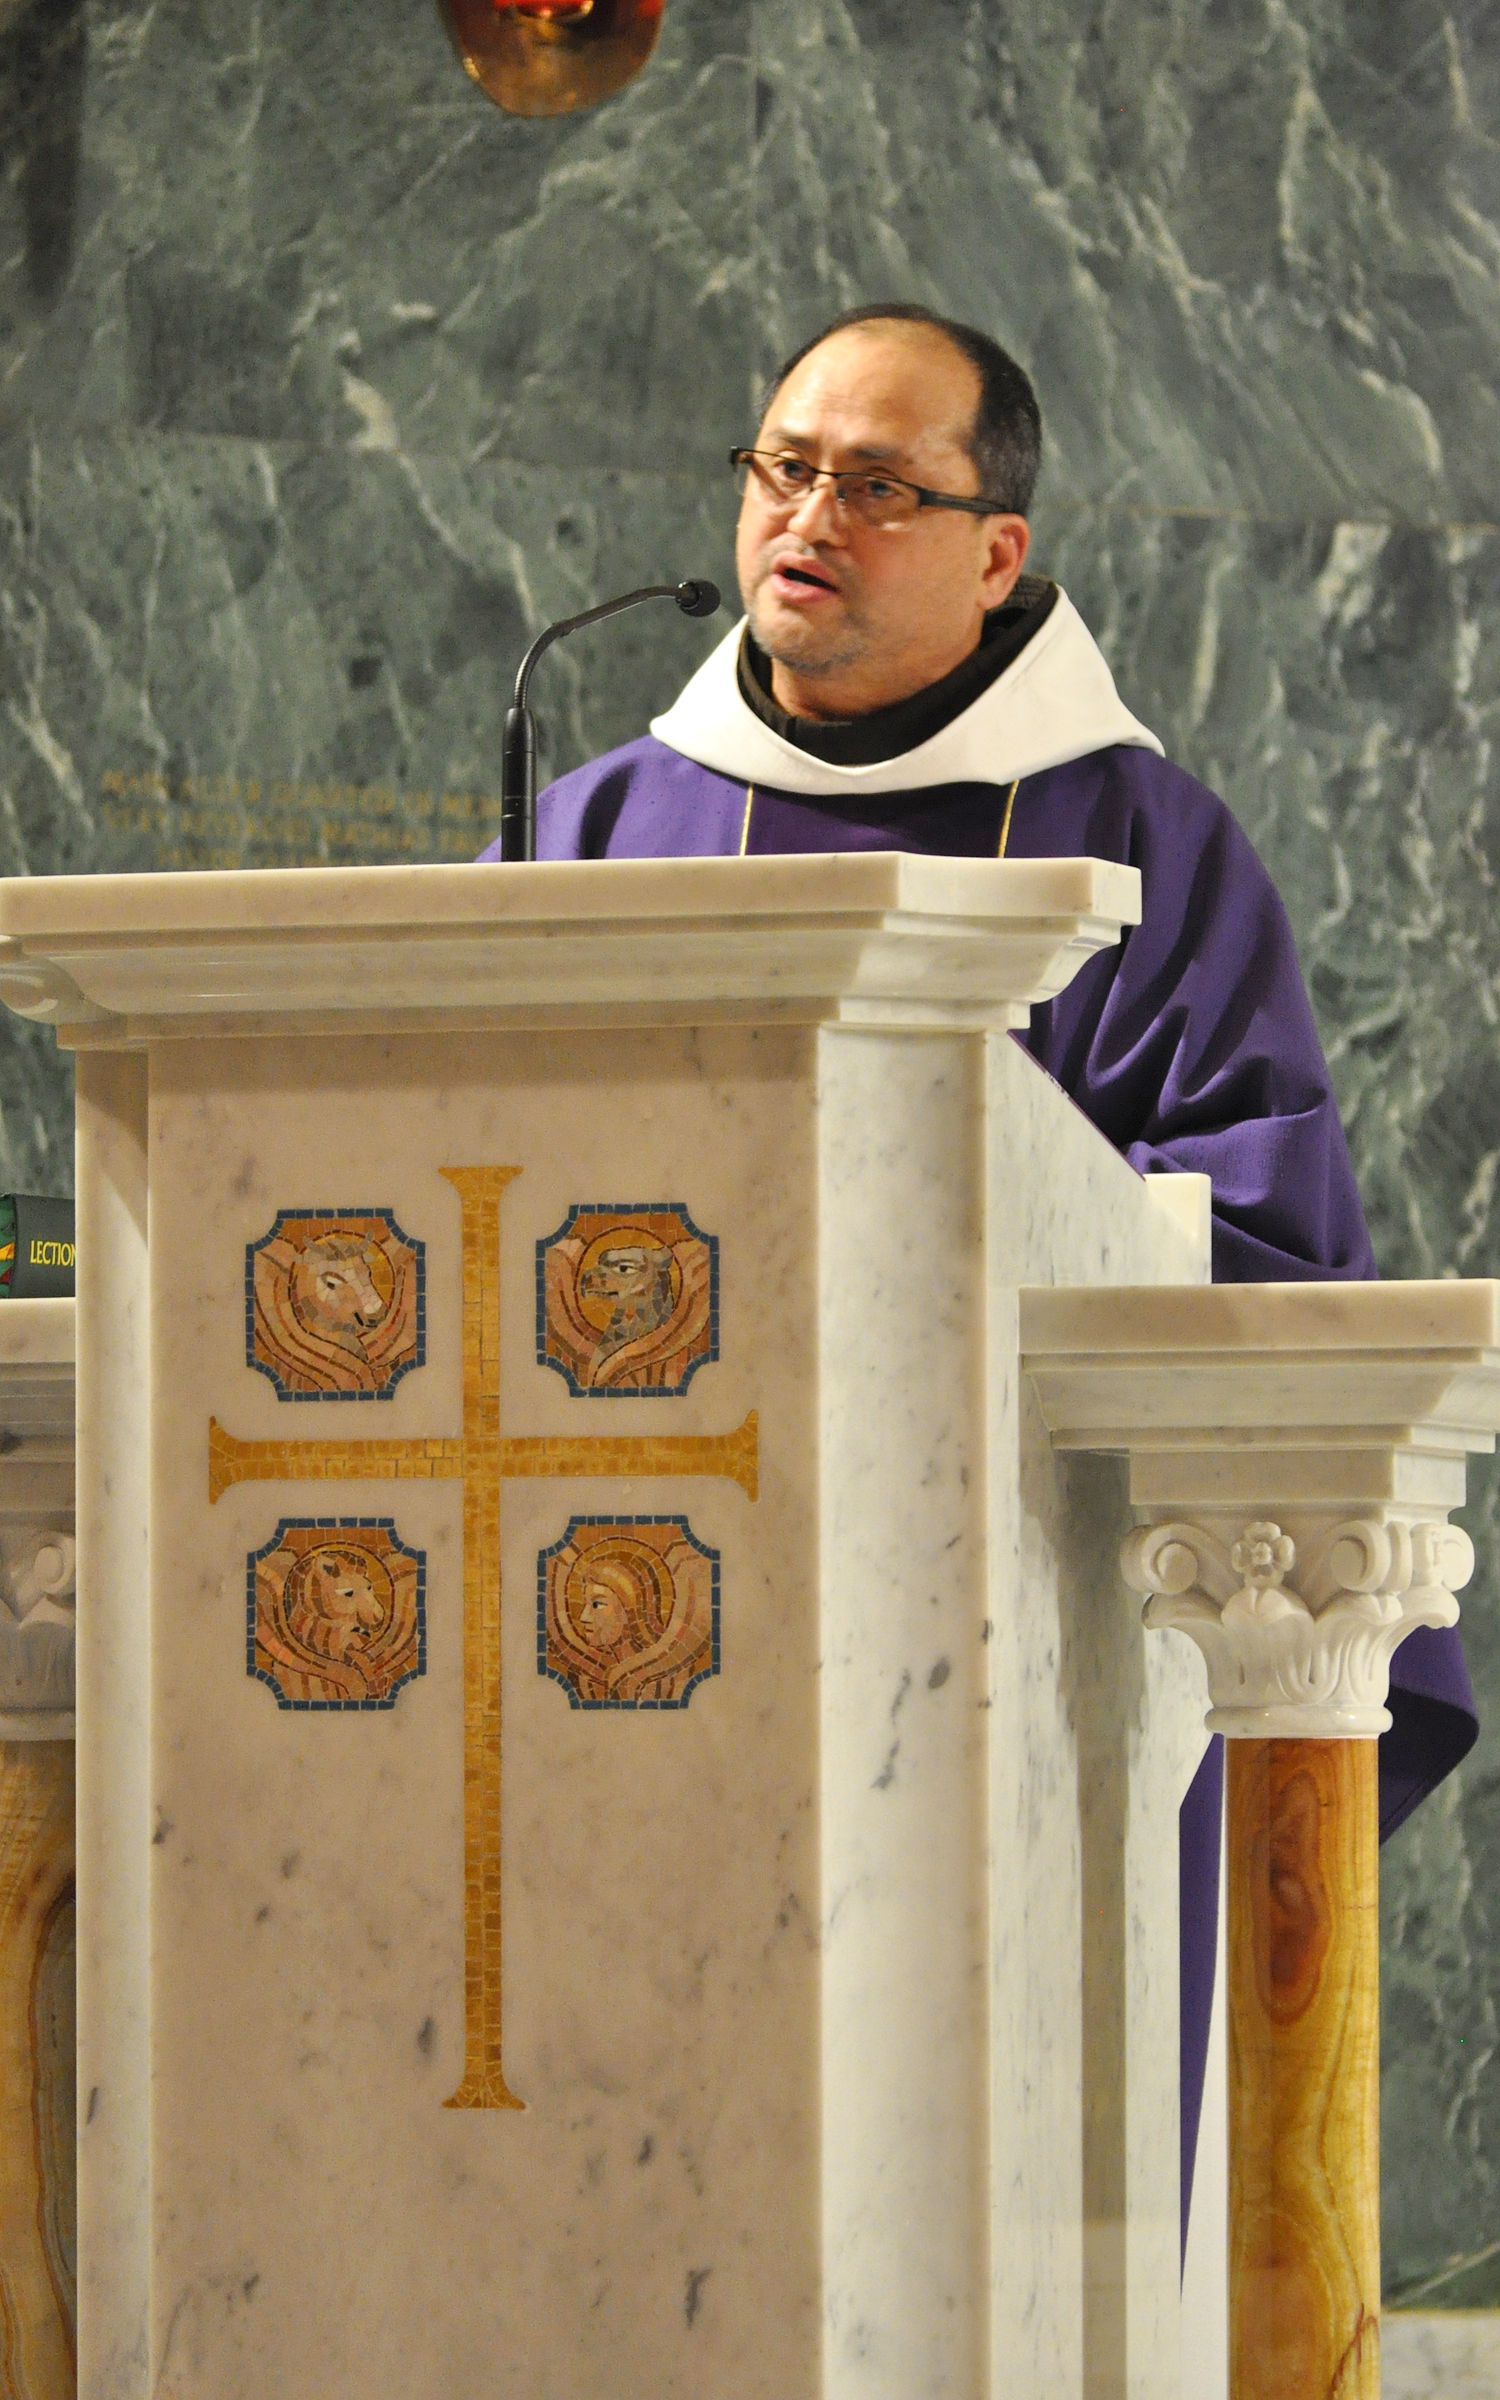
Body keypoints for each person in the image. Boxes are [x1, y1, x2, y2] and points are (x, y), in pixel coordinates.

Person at [479, 300, 1477, 2235]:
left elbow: (1260, 1237)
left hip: (1016, 1611)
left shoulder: (1143, 846)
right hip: (629, 1598)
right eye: (785, 468)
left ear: (997, 549)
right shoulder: (596, 823)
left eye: (877, 485)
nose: (809, 516)